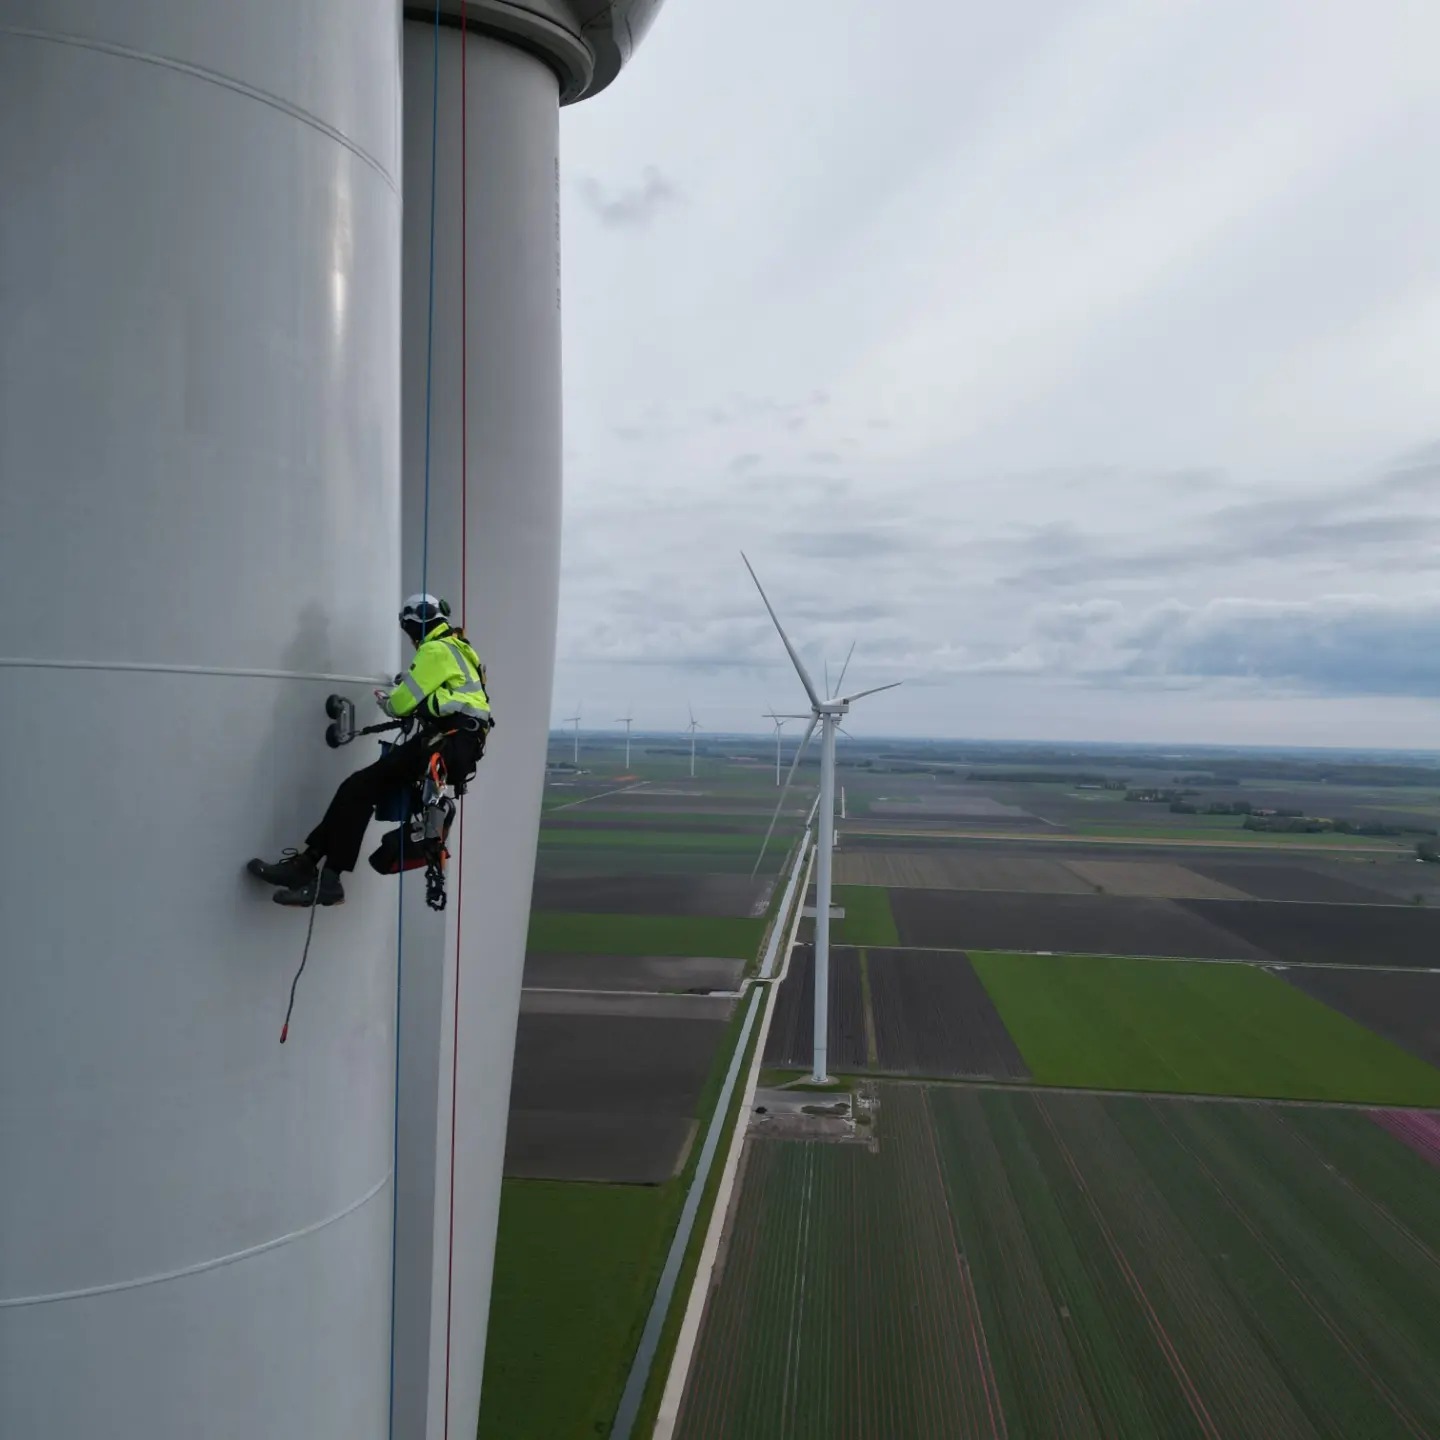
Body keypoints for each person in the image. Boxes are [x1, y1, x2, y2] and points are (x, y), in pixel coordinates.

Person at [248, 594, 491, 906]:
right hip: (458, 746)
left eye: (409, 630)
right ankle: (312, 867)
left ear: (415, 623)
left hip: (446, 743)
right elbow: (452, 694)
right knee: (358, 790)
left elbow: (401, 705)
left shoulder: (435, 649)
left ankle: (320, 874)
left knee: (358, 788)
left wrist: (386, 699)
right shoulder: (460, 648)